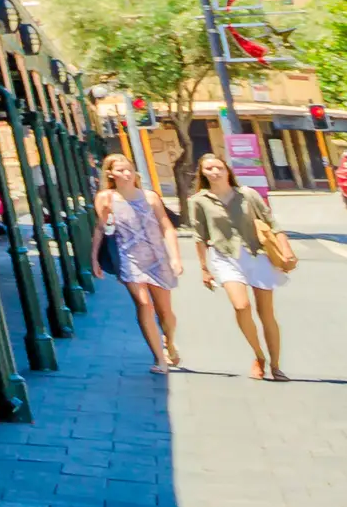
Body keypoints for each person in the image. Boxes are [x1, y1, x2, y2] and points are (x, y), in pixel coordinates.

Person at [185, 151, 292, 381]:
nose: (214, 172)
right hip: (225, 257)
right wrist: (204, 269)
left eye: (218, 168)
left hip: (257, 254)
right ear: (202, 174)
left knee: (266, 313)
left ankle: (275, 365)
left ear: (227, 170)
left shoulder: (247, 195)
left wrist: (286, 251)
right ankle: (258, 355)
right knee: (241, 306)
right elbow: (199, 236)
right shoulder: (199, 201)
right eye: (209, 169)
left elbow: (273, 224)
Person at [94, 151, 185, 371]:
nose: (126, 174)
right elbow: (100, 229)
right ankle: (159, 359)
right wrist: (94, 258)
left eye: (129, 169)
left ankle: (169, 342)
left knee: (165, 312)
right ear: (111, 174)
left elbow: (167, 227)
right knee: (144, 304)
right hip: (128, 257)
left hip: (156, 256)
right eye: (120, 170)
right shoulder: (105, 198)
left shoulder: (150, 196)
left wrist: (175, 258)